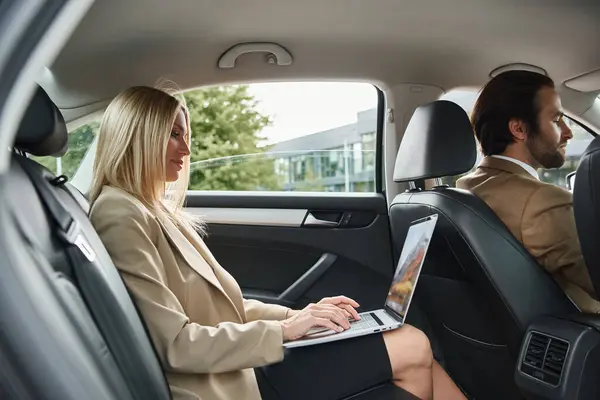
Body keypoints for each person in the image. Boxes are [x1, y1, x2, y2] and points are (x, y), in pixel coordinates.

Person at [88, 85, 465, 400]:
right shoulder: (120, 215)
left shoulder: (154, 210)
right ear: (137, 135)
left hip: (243, 361)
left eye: (185, 136)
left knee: (412, 348)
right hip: (225, 379)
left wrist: (300, 317)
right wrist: (286, 330)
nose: (186, 151)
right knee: (412, 345)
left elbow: (227, 310)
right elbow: (176, 343)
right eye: (173, 134)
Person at [457, 70, 600, 313]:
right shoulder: (543, 202)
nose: (568, 132)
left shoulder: (465, 188)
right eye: (556, 121)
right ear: (519, 129)